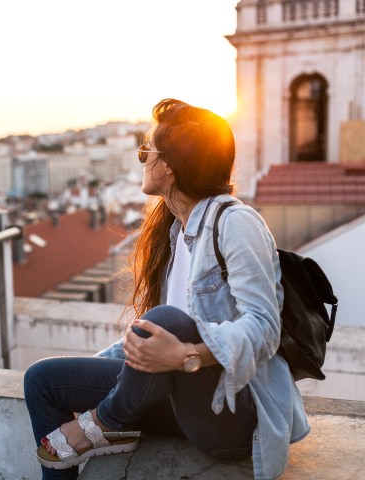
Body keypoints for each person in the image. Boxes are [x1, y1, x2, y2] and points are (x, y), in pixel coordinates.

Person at [23, 98, 310, 480]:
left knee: (166, 320)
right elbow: (151, 344)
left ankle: (106, 423)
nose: (142, 159)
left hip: (236, 415)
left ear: (171, 165)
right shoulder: (176, 233)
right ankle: (103, 429)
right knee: (43, 380)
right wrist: (101, 369)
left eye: (147, 150)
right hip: (181, 401)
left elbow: (264, 328)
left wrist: (186, 355)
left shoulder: (236, 222)